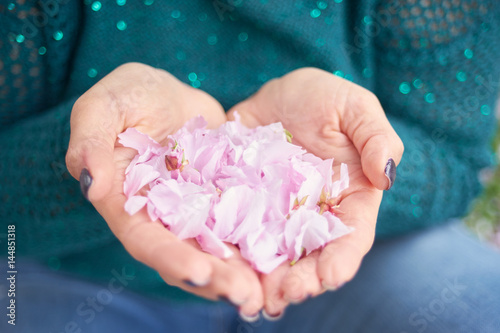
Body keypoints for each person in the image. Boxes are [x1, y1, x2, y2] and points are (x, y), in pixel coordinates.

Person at [1, 0, 499, 332]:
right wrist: (88, 156)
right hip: (76, 270)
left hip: (360, 259)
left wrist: (364, 167)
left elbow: (457, 161)